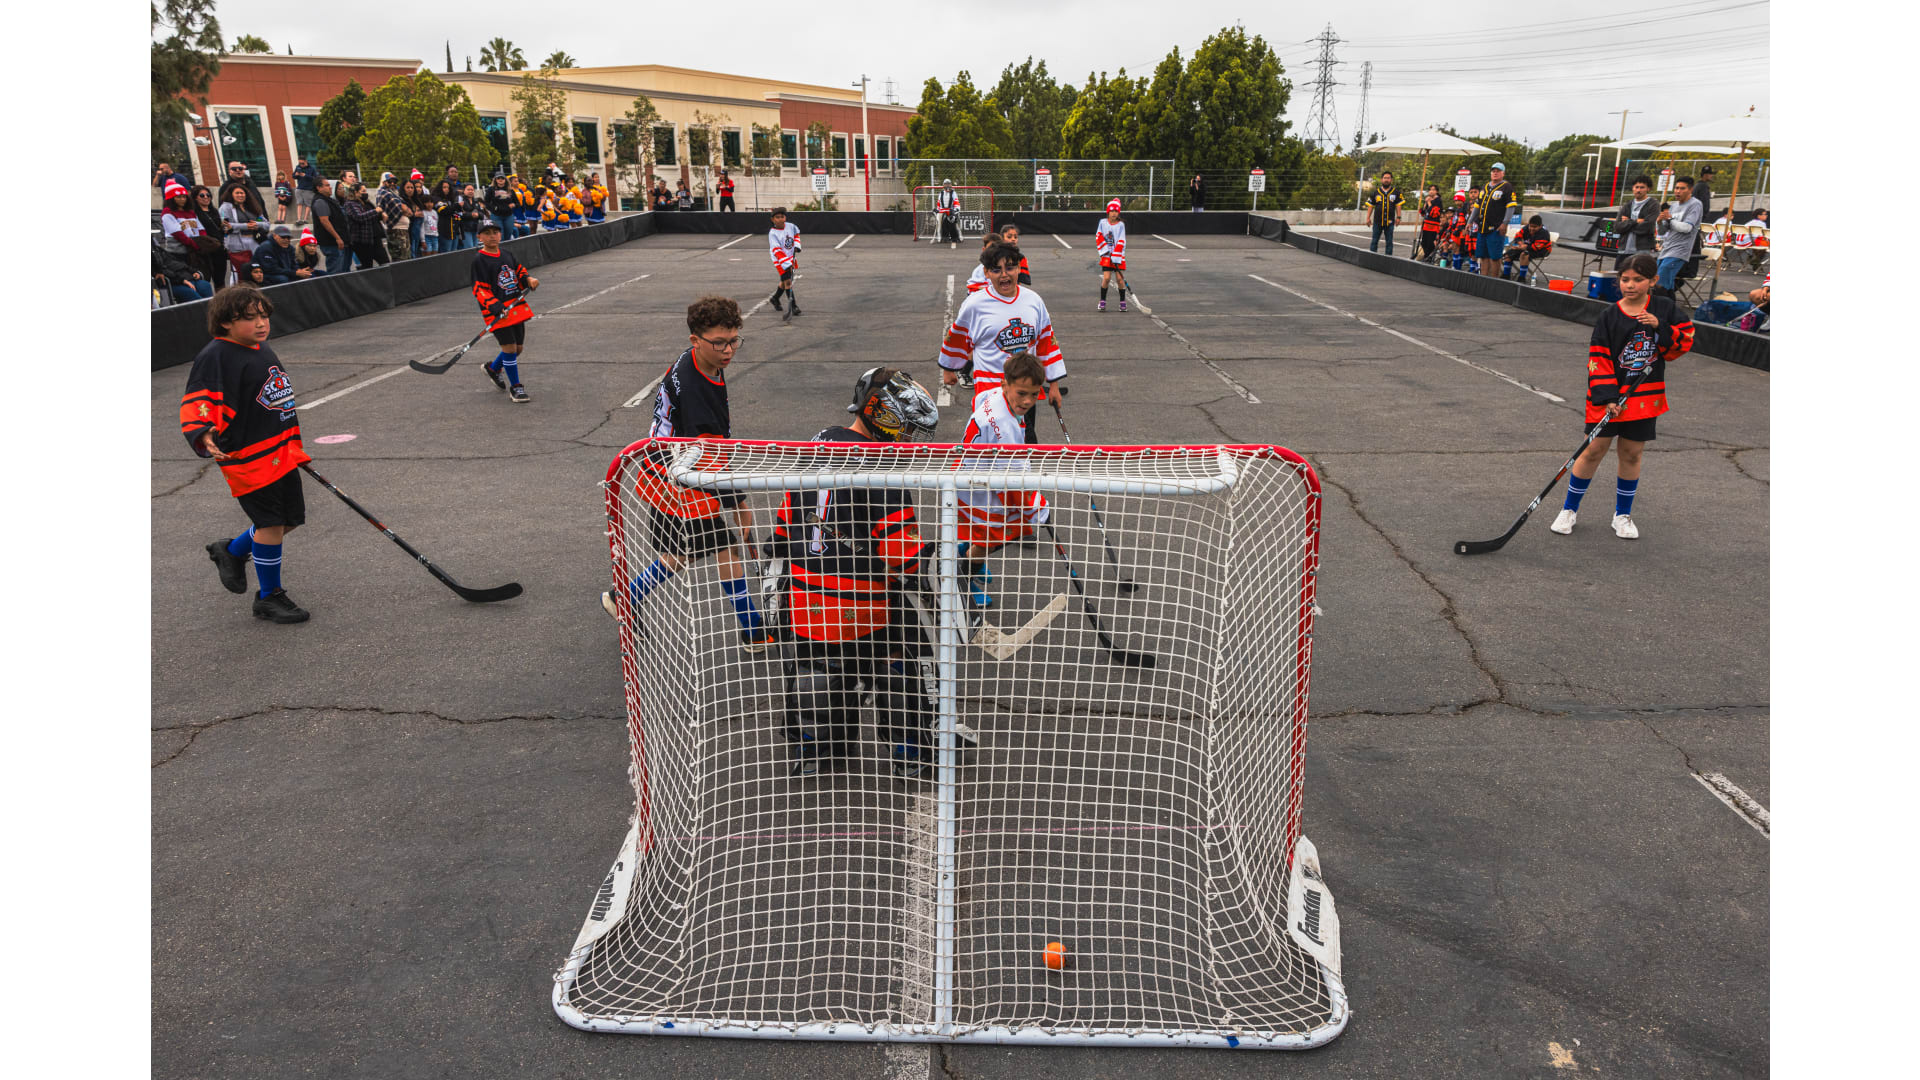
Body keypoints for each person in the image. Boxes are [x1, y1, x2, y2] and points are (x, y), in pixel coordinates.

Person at [766, 366, 941, 777]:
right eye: (906, 429)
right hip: (863, 604)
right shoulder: (879, 466)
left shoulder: (816, 443)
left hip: (805, 600)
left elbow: (783, 527)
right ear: (883, 415)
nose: (908, 440)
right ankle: (909, 749)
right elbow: (902, 556)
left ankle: (814, 749)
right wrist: (945, 562)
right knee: (904, 653)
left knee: (815, 665)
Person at [602, 295, 773, 651]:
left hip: (664, 473)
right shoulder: (696, 391)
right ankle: (753, 629)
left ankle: (626, 596)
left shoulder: (698, 360)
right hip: (678, 482)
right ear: (695, 339)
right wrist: (738, 503)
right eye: (720, 343)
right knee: (723, 547)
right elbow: (711, 454)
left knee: (684, 554)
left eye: (734, 340)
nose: (729, 350)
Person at [182, 285, 314, 623]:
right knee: (270, 523)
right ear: (226, 322)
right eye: (250, 318)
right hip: (248, 458)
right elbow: (200, 401)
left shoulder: (259, 347)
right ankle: (269, 596)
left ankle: (232, 550)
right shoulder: (217, 355)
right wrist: (203, 432)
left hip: (280, 451)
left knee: (289, 520)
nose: (260, 323)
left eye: (264, 316)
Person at [1549, 252, 1694, 541]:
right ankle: (1569, 509)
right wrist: (1608, 397)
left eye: (1638, 279)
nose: (1630, 285)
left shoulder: (1664, 308)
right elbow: (1598, 358)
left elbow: (1684, 342)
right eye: (1625, 279)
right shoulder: (1609, 316)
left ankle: (1622, 515)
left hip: (1644, 398)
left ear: (1653, 280)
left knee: (1631, 453)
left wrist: (1660, 327)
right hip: (1608, 400)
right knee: (1592, 451)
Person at [939, 241, 1066, 449]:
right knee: (1008, 446)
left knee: (1021, 446)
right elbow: (957, 338)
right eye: (996, 270)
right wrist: (948, 369)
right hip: (990, 390)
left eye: (1010, 268)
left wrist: (1054, 385)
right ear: (986, 273)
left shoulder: (1034, 301)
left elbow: (1046, 343)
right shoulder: (975, 304)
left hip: (1025, 390)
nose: (1004, 275)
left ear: (1019, 268)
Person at [956, 350, 1052, 607]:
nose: (1028, 401)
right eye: (1022, 393)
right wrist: (1039, 509)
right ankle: (963, 579)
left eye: (1034, 394)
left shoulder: (994, 395)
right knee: (994, 537)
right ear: (1005, 384)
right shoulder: (1004, 427)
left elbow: (978, 401)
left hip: (974, 476)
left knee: (991, 533)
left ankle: (967, 554)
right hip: (980, 490)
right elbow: (1015, 480)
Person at [470, 221, 539, 403]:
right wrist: (494, 305)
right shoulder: (479, 260)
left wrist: (528, 279)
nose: (492, 236)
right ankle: (516, 387)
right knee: (509, 349)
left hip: (515, 308)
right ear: (479, 237)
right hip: (498, 313)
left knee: (518, 349)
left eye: (495, 232)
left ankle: (493, 369)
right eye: (487, 233)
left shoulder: (507, 254)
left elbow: (519, 271)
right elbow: (479, 289)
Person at [1653, 175, 1703, 299]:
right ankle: (1670, 308)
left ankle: (1660, 307)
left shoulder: (1695, 204)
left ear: (1690, 190)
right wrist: (1659, 222)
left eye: (1682, 188)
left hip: (1680, 250)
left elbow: (1687, 228)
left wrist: (1670, 219)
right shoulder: (1674, 206)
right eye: (1676, 188)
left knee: (1660, 283)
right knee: (1664, 283)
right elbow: (1663, 231)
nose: (1678, 191)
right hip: (1666, 248)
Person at [220, 183, 273, 283]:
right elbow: (225, 226)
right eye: (237, 193)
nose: (240, 195)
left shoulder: (252, 207)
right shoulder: (226, 207)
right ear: (231, 194)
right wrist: (245, 226)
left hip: (255, 242)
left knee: (256, 269)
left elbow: (266, 224)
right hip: (237, 243)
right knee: (239, 271)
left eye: (242, 193)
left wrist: (257, 224)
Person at [1476, 162, 1518, 277]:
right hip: (1482, 227)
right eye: (1493, 171)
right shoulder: (1485, 187)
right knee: (1483, 256)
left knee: (1495, 257)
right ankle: (1483, 278)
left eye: (1498, 171)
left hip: (1496, 228)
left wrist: (1505, 223)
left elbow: (1511, 206)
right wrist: (1469, 222)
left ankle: (1494, 280)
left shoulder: (1506, 187)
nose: (1495, 173)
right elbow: (1477, 206)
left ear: (1503, 173)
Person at [340, 181, 391, 271]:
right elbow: (359, 217)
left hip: (375, 238)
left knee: (385, 263)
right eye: (363, 191)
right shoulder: (350, 204)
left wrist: (381, 214)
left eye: (365, 191)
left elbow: (374, 215)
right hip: (362, 241)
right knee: (367, 266)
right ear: (356, 192)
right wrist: (375, 211)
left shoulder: (366, 202)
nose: (365, 193)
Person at [1613, 176, 1659, 269]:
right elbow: (1617, 227)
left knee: (1640, 275)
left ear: (1648, 189)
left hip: (1642, 250)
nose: (1638, 190)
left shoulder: (1653, 204)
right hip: (1624, 249)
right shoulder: (1627, 205)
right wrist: (1635, 221)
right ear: (1633, 188)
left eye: (1642, 187)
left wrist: (1627, 222)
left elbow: (1647, 227)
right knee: (1619, 275)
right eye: (1636, 187)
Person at [309, 177, 350, 275]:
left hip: (337, 241)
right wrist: (337, 238)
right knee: (335, 272)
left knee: (342, 270)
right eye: (327, 185)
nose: (330, 187)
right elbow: (324, 221)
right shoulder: (320, 201)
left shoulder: (329, 200)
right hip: (331, 242)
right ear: (319, 188)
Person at [767, 206, 803, 318]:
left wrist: (797, 245)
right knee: (788, 281)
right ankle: (794, 306)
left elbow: (796, 234)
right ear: (773, 219)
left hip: (790, 256)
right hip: (780, 260)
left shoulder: (791, 226)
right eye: (777, 217)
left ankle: (775, 298)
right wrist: (786, 264)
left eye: (782, 217)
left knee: (784, 281)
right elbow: (776, 250)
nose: (780, 219)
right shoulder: (772, 233)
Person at [1094, 199, 1128, 311]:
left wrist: (1116, 254)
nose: (1114, 213)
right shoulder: (1102, 223)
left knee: (1119, 279)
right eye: (1112, 211)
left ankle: (1122, 302)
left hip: (1118, 256)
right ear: (1108, 212)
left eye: (1116, 211)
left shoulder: (1121, 225)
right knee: (1107, 278)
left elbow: (1122, 240)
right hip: (1106, 256)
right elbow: (1098, 236)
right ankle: (1102, 301)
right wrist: (1105, 251)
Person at [1501, 215, 1554, 282]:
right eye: (1530, 226)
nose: (1532, 228)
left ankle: (1522, 277)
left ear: (1540, 226)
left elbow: (1536, 247)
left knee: (1524, 254)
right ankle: (1506, 275)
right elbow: (1517, 236)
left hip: (1542, 250)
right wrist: (1520, 244)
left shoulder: (1544, 233)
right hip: (1526, 247)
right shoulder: (1526, 228)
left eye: (1534, 227)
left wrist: (1522, 247)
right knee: (1509, 253)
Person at [1364, 170, 1404, 255]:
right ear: (1381, 179)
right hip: (1377, 222)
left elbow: (1398, 205)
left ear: (1391, 180)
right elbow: (1370, 206)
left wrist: (1398, 217)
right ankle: (1372, 257)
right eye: (1385, 178)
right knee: (1374, 241)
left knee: (1389, 242)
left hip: (1390, 222)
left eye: (1388, 178)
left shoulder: (1396, 192)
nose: (1386, 180)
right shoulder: (1375, 192)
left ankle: (1388, 259)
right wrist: (1368, 218)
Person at [1417, 185, 1446, 262]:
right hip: (1426, 224)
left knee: (1430, 242)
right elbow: (1423, 212)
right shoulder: (1428, 199)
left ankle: (1429, 257)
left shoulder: (1438, 201)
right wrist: (1425, 204)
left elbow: (1434, 213)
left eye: (1433, 190)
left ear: (1436, 191)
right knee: (1424, 242)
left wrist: (1429, 203)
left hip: (1433, 226)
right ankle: (1425, 256)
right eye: (1430, 190)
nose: (1431, 191)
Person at [484, 174, 517, 239]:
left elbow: (517, 203)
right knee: (499, 236)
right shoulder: (491, 189)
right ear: (495, 180)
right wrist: (494, 208)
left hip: (508, 216)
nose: (500, 179)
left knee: (508, 236)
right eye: (498, 178)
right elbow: (486, 202)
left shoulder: (510, 190)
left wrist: (514, 205)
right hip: (496, 216)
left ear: (505, 180)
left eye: (502, 178)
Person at [291, 157, 319, 224]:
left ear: (306, 161)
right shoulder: (298, 167)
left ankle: (305, 219)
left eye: (302, 163)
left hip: (309, 189)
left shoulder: (312, 168)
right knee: (299, 203)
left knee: (308, 204)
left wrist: (305, 175)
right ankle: (299, 219)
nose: (301, 165)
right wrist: (296, 175)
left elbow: (315, 178)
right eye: (300, 163)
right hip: (299, 188)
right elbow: (293, 176)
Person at [934, 179, 961, 244]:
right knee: (942, 224)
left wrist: (956, 209)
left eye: (948, 184)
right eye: (946, 184)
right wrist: (937, 210)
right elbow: (939, 203)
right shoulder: (941, 193)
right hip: (942, 211)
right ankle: (944, 237)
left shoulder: (953, 193)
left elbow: (956, 202)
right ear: (943, 185)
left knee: (952, 222)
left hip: (951, 211)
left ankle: (955, 237)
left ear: (951, 185)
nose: (947, 185)